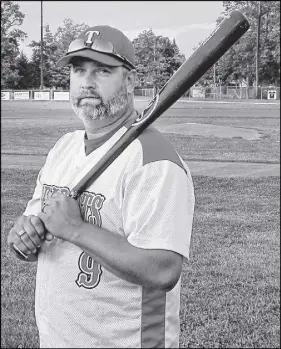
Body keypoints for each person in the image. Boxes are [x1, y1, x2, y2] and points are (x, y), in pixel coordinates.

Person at [7, 25, 195, 348]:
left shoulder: (154, 161)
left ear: (130, 81)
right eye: (79, 70)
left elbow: (163, 270)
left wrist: (75, 229)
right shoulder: (63, 149)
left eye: (103, 71)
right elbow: (34, 228)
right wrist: (22, 237)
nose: (87, 82)